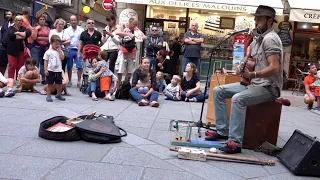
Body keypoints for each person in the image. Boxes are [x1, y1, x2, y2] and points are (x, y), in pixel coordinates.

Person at [205, 5, 283, 154]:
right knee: (218, 91)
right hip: (254, 84)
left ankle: (235, 143)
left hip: (269, 87)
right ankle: (222, 131)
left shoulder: (271, 39)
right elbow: (247, 59)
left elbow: (274, 67)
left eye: (259, 18)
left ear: (269, 20)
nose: (255, 20)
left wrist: (252, 75)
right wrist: (241, 66)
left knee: (238, 99)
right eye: (255, 18)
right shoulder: (256, 40)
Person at [115, 17, 147, 82]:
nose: (135, 26)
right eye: (134, 24)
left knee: (130, 70)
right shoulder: (122, 26)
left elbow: (144, 37)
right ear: (129, 22)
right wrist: (128, 34)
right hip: (123, 49)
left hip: (131, 49)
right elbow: (117, 32)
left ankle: (126, 84)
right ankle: (118, 86)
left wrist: (135, 37)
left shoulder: (135, 29)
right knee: (120, 69)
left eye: (136, 25)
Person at [6, 15, 31, 80]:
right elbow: (11, 35)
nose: (20, 22)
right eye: (19, 20)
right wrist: (22, 35)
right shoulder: (10, 28)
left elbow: (28, 33)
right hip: (12, 51)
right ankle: (10, 79)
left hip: (21, 51)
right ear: (15, 21)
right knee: (12, 66)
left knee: (20, 67)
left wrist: (17, 33)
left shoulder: (24, 28)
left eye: (21, 20)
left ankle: (19, 79)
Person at [78, 19, 102, 87]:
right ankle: (86, 82)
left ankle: (95, 83)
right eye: (89, 23)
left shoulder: (98, 33)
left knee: (95, 69)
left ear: (94, 24)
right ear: (87, 24)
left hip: (95, 55)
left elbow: (102, 42)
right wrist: (78, 53)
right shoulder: (83, 33)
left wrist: (98, 48)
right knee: (86, 69)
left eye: (92, 23)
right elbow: (80, 44)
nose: (91, 24)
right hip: (86, 55)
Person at [44, 35, 66, 102]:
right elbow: (45, 61)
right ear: (51, 43)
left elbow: (62, 58)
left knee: (59, 83)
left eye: (58, 44)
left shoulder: (60, 51)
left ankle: (58, 94)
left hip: (58, 70)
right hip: (51, 70)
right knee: (50, 83)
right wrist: (45, 69)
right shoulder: (48, 52)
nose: (57, 46)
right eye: (56, 44)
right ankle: (48, 95)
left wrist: (60, 51)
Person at [64, 15, 84, 87]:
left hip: (78, 50)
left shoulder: (81, 30)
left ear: (77, 21)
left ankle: (79, 81)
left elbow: (82, 41)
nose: (73, 22)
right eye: (72, 20)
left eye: (74, 20)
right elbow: (66, 40)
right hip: (69, 49)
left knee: (79, 66)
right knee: (69, 66)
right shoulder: (66, 30)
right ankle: (69, 81)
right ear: (70, 21)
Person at [30, 14, 50, 84]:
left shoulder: (48, 29)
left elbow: (49, 39)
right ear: (38, 21)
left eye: (43, 19)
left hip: (45, 48)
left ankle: (44, 78)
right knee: (35, 63)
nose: (42, 21)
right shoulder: (34, 28)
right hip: (36, 48)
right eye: (40, 19)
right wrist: (36, 30)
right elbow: (34, 38)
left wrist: (40, 38)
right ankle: (34, 78)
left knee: (44, 63)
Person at [0, 11, 15, 75]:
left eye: (9, 14)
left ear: (14, 16)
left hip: (12, 47)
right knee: (2, 63)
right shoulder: (5, 25)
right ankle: (1, 77)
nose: (7, 16)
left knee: (11, 65)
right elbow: (2, 34)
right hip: (3, 47)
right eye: (7, 14)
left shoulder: (16, 25)